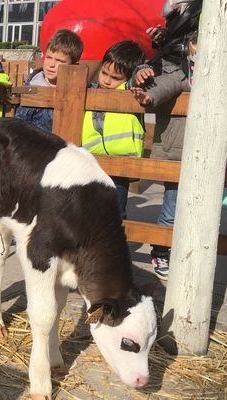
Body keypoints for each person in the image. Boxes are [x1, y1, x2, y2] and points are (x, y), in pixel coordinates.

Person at [130, 0, 201, 281]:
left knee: (194, 211)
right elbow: (164, 84)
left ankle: (184, 252)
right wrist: (147, 95)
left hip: (203, 153)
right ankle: (162, 249)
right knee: (172, 205)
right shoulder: (179, 69)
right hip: (178, 148)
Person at [81, 41, 145, 220]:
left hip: (120, 166)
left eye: (116, 78)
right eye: (104, 73)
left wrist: (142, 71)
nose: (107, 81)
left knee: (115, 212)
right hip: (90, 163)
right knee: (86, 212)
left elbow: (143, 80)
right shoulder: (89, 91)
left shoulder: (132, 92)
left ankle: (114, 247)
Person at [14, 28, 83, 132]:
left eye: (59, 60)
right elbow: (19, 127)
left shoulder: (78, 91)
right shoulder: (32, 89)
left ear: (73, 66)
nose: (51, 64)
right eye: (49, 57)